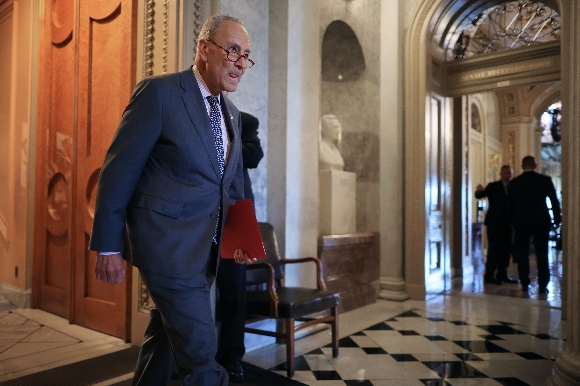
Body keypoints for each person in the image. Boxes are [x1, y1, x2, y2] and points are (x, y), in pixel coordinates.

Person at [89, 14, 256, 386]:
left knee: (163, 343)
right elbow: (119, 170)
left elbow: (232, 186)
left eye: (246, 55)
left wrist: (242, 239)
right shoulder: (159, 93)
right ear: (204, 48)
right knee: (201, 358)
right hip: (167, 247)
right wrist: (107, 245)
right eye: (233, 51)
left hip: (205, 252)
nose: (241, 63)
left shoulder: (231, 113)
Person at [215, 111, 263, 382]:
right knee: (191, 289)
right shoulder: (189, 114)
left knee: (234, 291)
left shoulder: (245, 120)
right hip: (197, 210)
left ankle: (231, 357)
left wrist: (219, 141)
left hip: (238, 212)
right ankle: (188, 355)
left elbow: (254, 156)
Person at [508, 155, 561, 294]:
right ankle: (543, 284)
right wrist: (556, 220)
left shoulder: (515, 183)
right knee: (542, 253)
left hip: (521, 222)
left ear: (522, 166)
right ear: (535, 165)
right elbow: (554, 201)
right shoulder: (544, 180)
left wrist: (512, 222)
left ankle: (525, 282)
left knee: (522, 254)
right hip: (541, 221)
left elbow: (510, 206)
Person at [475, 165, 518, 285]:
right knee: (494, 250)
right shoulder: (493, 186)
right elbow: (479, 195)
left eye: (509, 173)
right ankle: (489, 276)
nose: (507, 175)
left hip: (508, 225)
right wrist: (478, 190)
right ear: (500, 174)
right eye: (505, 173)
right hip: (494, 224)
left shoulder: (514, 187)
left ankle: (502, 275)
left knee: (506, 250)